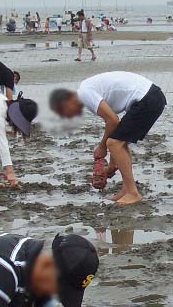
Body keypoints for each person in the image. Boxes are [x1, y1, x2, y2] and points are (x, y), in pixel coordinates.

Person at [50, 72, 167, 206]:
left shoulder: (85, 94)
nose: (70, 115)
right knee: (119, 143)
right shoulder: (87, 90)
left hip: (148, 99)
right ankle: (126, 189)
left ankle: (133, 193)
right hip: (150, 97)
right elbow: (117, 132)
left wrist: (102, 147)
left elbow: (113, 121)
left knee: (114, 143)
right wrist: (112, 164)